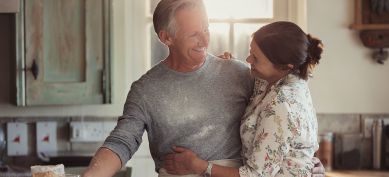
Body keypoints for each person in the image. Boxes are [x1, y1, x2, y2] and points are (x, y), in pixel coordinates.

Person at [81, 0, 324, 176]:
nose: (205, 41)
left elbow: (284, 120)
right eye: (194, 35)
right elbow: (122, 141)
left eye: (207, 29)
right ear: (167, 38)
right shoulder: (145, 90)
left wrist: (304, 162)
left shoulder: (239, 73)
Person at [163, 21, 323, 177]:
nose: (248, 60)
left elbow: (255, 174)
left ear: (285, 66)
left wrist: (197, 165)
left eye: (256, 58)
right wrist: (227, 66)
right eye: (251, 52)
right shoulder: (278, 80)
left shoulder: (282, 102)